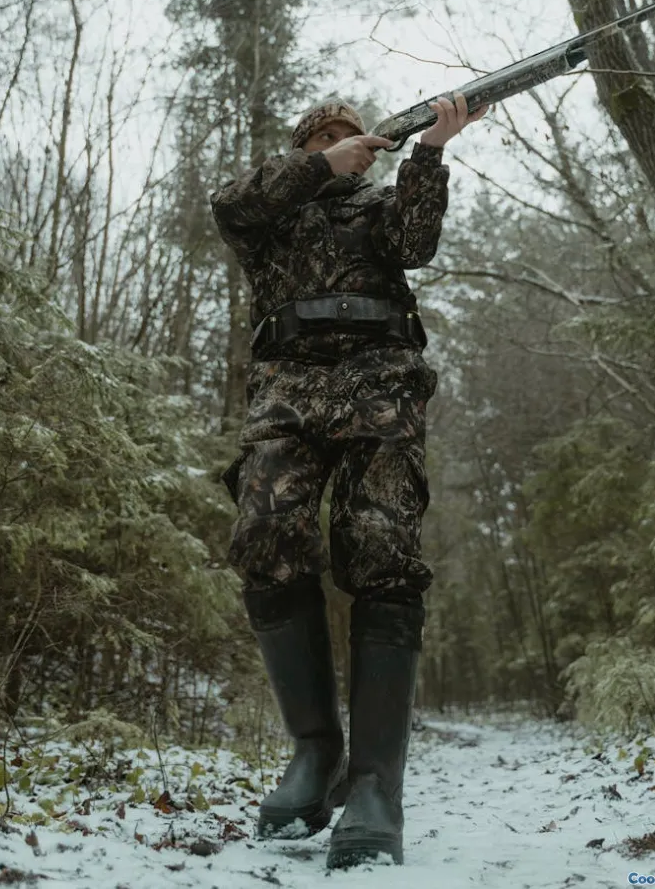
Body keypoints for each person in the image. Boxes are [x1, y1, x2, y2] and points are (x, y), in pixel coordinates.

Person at [210, 93, 487, 868]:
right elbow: (230, 204)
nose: (338, 145)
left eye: (347, 136)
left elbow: (418, 241)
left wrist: (431, 146)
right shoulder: (270, 214)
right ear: (304, 149)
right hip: (288, 383)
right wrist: (317, 167)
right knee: (263, 534)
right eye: (321, 138)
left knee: (379, 548)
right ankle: (314, 755)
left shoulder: (379, 206)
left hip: (381, 379)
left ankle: (374, 787)